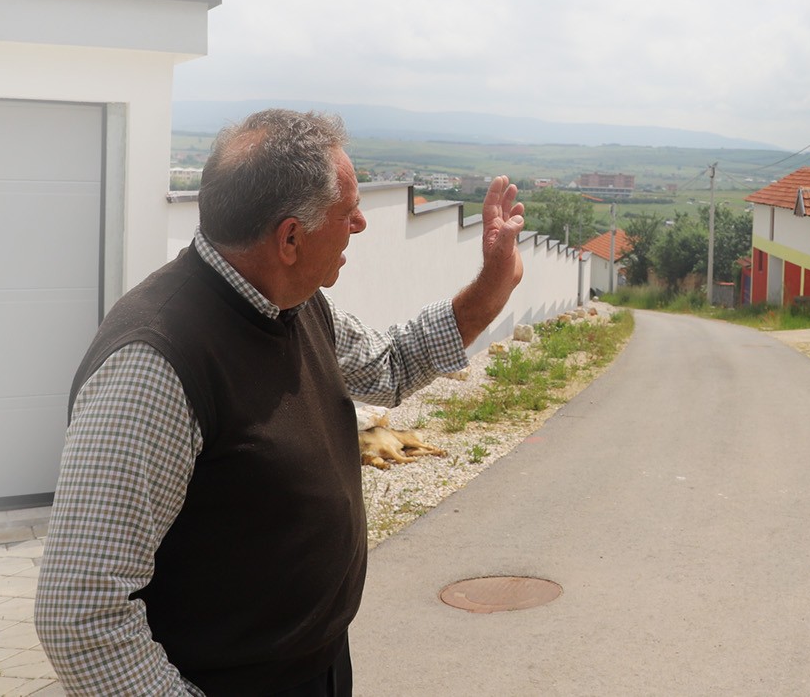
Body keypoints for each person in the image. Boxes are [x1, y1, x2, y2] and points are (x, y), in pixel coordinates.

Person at [35, 109, 526, 696]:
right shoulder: (157, 364)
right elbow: (80, 614)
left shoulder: (293, 303)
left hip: (316, 667)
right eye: (348, 214)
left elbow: (391, 364)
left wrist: (492, 288)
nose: (362, 225)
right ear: (290, 237)